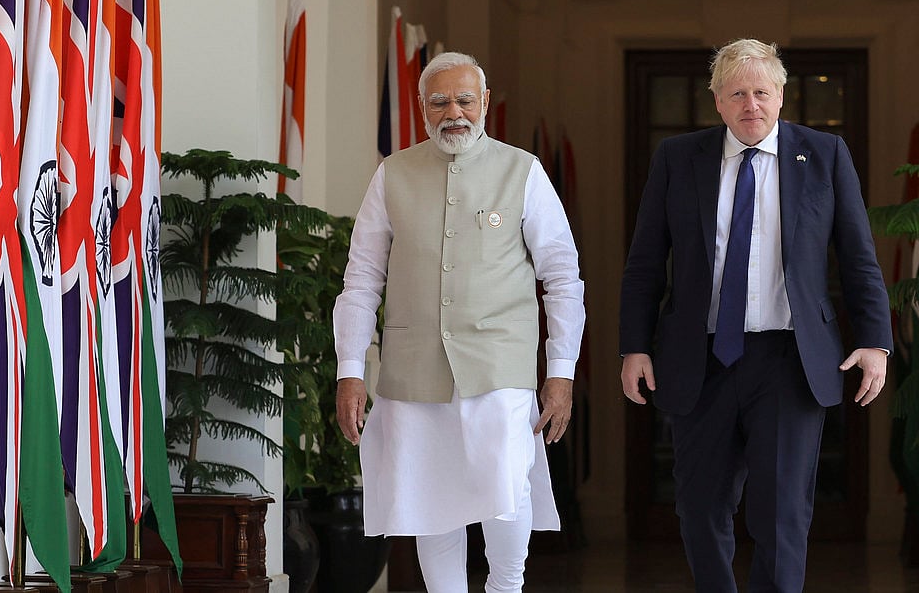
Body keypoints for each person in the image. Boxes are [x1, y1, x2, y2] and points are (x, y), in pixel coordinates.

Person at [619, 38, 892, 592]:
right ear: (716, 101)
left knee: (782, 515)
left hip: (789, 362)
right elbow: (646, 261)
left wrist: (876, 341)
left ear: (781, 95)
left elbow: (859, 256)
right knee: (699, 509)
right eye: (737, 93)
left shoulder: (823, 154)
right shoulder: (678, 157)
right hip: (702, 359)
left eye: (761, 92)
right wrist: (635, 345)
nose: (751, 105)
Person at [334, 51, 586, 592]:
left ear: (485, 103)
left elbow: (562, 276)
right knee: (431, 501)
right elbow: (361, 280)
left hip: (500, 367)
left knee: (505, 490)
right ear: (422, 107)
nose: (454, 112)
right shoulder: (392, 173)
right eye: (440, 101)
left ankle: (505, 588)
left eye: (465, 100)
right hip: (413, 370)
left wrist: (561, 371)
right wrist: (350, 370)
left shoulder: (523, 171)